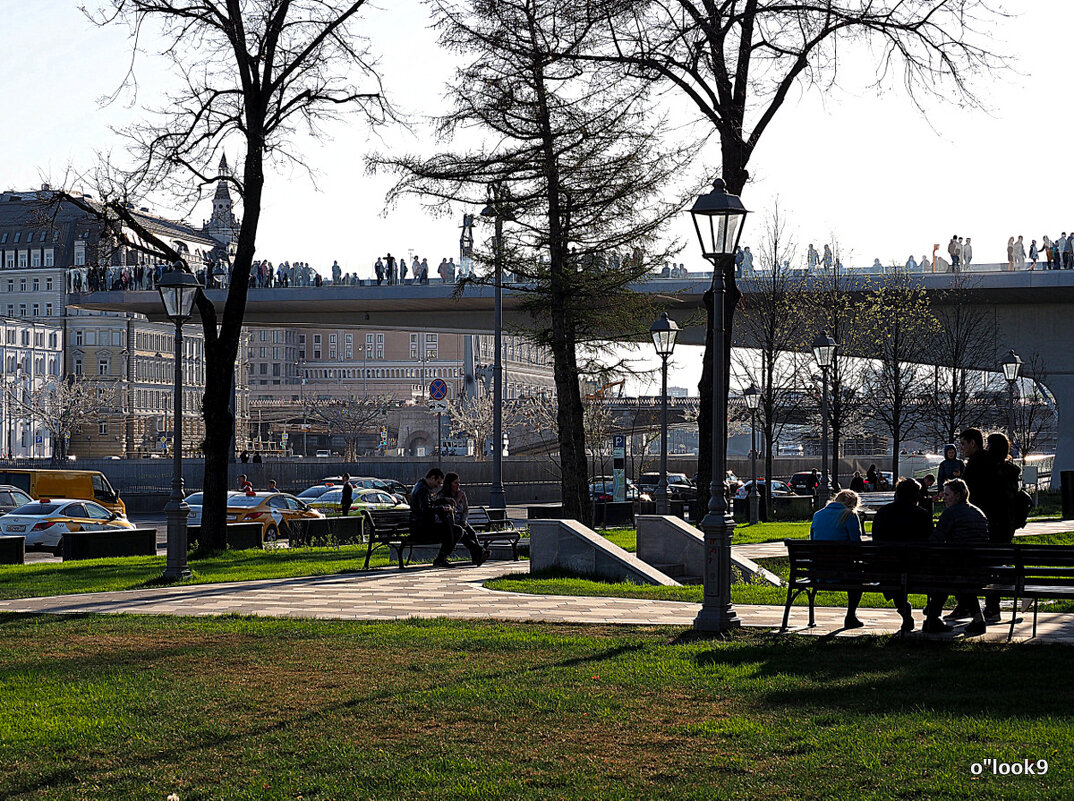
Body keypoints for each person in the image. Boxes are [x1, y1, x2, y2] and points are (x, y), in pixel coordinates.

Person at [923, 479, 989, 635]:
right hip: (979, 568)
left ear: (958, 495)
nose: (943, 497)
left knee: (946, 577)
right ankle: (978, 620)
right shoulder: (977, 512)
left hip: (959, 567)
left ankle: (932, 617)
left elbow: (936, 540)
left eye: (947, 494)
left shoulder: (951, 513)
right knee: (960, 578)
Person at [872, 478, 934, 632]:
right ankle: (933, 616)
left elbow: (876, 540)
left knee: (893, 575)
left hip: (888, 569)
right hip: (918, 568)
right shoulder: (922, 515)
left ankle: (904, 610)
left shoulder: (883, 513)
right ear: (915, 496)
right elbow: (930, 542)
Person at [409, 468, 487, 568]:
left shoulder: (421, 486)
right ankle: (477, 552)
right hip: (423, 529)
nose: (437, 485)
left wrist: (443, 501)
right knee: (456, 530)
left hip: (421, 526)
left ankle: (476, 552)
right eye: (437, 482)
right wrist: (442, 508)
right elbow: (425, 510)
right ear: (432, 478)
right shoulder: (423, 490)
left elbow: (428, 504)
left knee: (457, 530)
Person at [810, 489, 864, 628]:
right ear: (852, 505)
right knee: (858, 577)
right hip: (842, 571)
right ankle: (850, 616)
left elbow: (813, 541)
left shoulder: (817, 515)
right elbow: (856, 546)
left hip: (819, 572)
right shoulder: (849, 515)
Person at [441, 472, 490, 561]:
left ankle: (476, 556)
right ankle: (480, 552)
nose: (458, 485)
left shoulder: (461, 494)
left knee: (472, 533)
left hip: (461, 520)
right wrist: (457, 500)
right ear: (449, 484)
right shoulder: (443, 496)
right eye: (455, 483)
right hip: (451, 522)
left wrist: (464, 520)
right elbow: (449, 510)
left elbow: (465, 510)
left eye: (458, 482)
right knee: (464, 535)